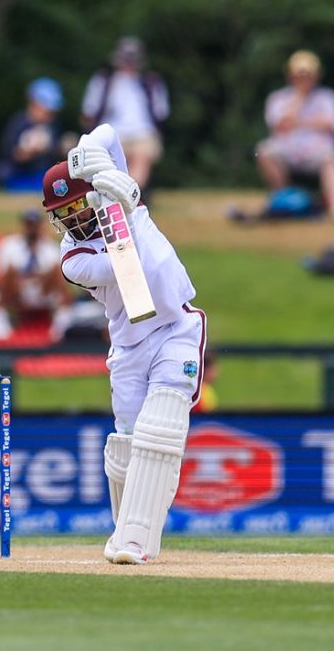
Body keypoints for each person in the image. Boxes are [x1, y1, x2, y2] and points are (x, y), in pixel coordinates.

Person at [44, 123, 206, 564]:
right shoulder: (73, 259)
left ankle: (133, 543)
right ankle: (130, 535)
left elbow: (109, 131)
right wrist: (124, 206)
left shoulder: (113, 192)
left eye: (77, 203)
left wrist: (88, 155)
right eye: (64, 211)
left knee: (161, 432)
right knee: (127, 446)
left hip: (175, 327)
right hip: (130, 348)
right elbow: (124, 267)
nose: (74, 216)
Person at [254, 50, 334, 220]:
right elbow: (280, 125)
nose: (304, 78)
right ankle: (286, 202)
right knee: (264, 151)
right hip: (287, 152)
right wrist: (300, 97)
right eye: (300, 74)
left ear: (317, 75)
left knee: (333, 158)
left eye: (308, 74)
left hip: (320, 154)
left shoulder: (329, 97)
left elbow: (333, 125)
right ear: (290, 75)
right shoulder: (278, 98)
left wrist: (297, 122)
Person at [80, 38, 168, 190]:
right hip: (111, 132)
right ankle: (121, 192)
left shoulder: (151, 82)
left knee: (142, 156)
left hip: (143, 133)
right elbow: (89, 112)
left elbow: (161, 113)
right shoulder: (103, 81)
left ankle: (128, 192)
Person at [0, 210, 72, 341]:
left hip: (41, 292)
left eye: (35, 224)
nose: (32, 228)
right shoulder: (9, 245)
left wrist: (39, 278)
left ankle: (59, 334)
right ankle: (1, 336)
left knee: (62, 295)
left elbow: (58, 279)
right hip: (15, 292)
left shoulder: (50, 247)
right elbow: (0, 276)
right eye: (29, 224)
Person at [0, 78, 66, 191]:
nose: (51, 115)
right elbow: (11, 154)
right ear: (34, 104)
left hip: (43, 178)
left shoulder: (53, 126)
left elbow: (55, 154)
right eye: (48, 110)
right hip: (18, 177)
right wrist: (30, 151)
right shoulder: (18, 123)